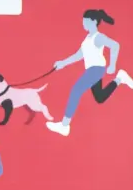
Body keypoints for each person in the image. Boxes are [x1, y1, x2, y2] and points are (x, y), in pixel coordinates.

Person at [47, 9, 133, 137]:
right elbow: (79, 55)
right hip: (92, 70)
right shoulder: (88, 38)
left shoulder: (98, 37)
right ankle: (120, 78)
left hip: (96, 69)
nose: (83, 24)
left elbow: (115, 45)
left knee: (76, 90)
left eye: (85, 21)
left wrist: (112, 65)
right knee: (100, 97)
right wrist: (62, 63)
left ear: (93, 21)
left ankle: (65, 125)